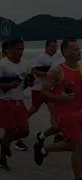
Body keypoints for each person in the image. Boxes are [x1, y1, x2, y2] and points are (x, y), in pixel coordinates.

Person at [34, 37, 82, 180]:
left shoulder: (80, 69)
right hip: (65, 114)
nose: (79, 51)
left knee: (73, 145)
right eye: (75, 49)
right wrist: (61, 98)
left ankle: (44, 149)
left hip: (79, 112)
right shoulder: (57, 71)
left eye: (79, 49)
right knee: (79, 145)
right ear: (65, 52)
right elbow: (44, 92)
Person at [0, 39, 32, 171]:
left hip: (19, 100)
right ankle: (2, 159)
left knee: (25, 131)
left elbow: (26, 82)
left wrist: (29, 82)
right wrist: (9, 85)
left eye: (22, 49)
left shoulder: (25, 64)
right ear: (9, 50)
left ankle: (5, 142)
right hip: (4, 101)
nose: (20, 52)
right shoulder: (3, 65)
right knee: (11, 131)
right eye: (18, 49)